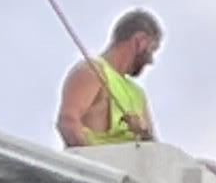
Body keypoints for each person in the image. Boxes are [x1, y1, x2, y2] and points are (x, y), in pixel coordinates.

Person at [57, 8, 160, 148]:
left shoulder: (138, 95)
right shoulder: (92, 72)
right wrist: (94, 166)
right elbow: (68, 122)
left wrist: (145, 135)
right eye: (152, 49)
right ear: (140, 41)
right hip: (96, 167)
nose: (151, 61)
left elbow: (154, 150)